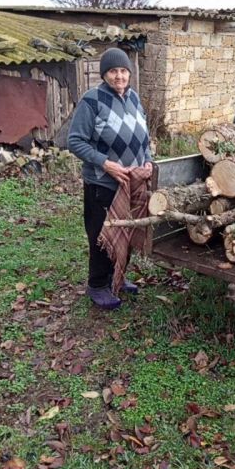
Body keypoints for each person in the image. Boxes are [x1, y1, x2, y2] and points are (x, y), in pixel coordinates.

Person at [68, 47, 152, 310]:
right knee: (102, 234)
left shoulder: (134, 98)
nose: (119, 76)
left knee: (126, 231)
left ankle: (117, 277)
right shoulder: (91, 101)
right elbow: (74, 141)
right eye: (113, 71)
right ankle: (97, 285)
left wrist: (148, 160)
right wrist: (105, 164)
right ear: (104, 74)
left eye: (123, 71)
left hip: (132, 182)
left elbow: (144, 137)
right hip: (102, 182)